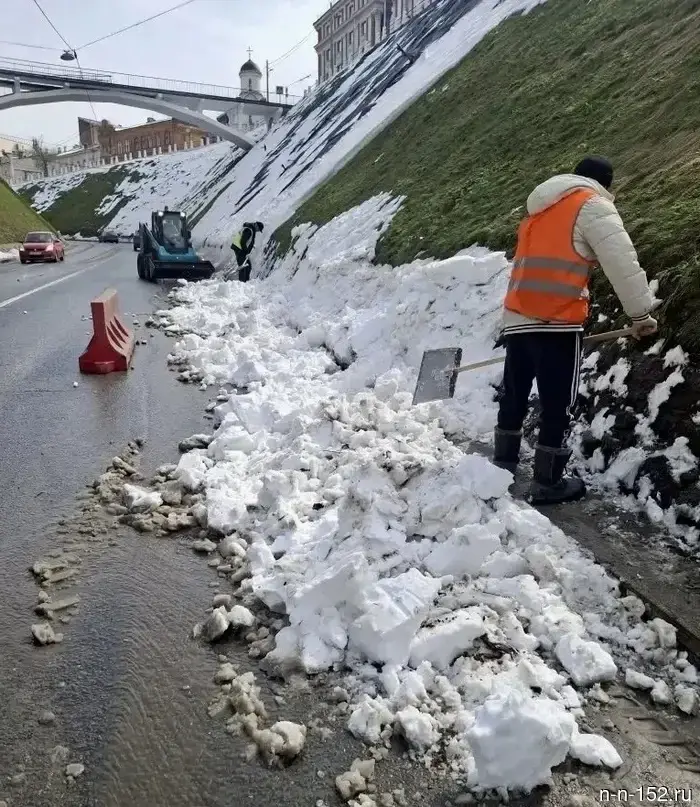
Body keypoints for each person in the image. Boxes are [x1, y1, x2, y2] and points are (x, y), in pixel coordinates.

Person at [493, 156, 658, 505]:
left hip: (518, 316)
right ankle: (547, 482)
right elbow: (621, 261)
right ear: (604, 184)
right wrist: (640, 312)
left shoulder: (538, 209)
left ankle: (502, 465)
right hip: (556, 320)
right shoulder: (591, 205)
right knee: (557, 403)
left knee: (515, 392)